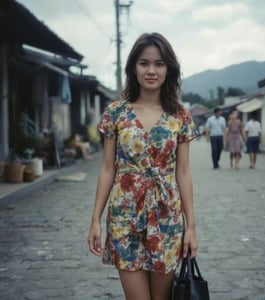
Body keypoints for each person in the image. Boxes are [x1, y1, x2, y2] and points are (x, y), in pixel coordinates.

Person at [87, 32, 199, 300]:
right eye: (144, 63)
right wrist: (95, 219)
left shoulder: (180, 116)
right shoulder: (116, 112)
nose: (151, 70)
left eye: (159, 64)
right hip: (124, 215)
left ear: (168, 69)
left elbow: (183, 172)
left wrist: (191, 226)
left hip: (167, 217)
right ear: (133, 68)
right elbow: (107, 169)